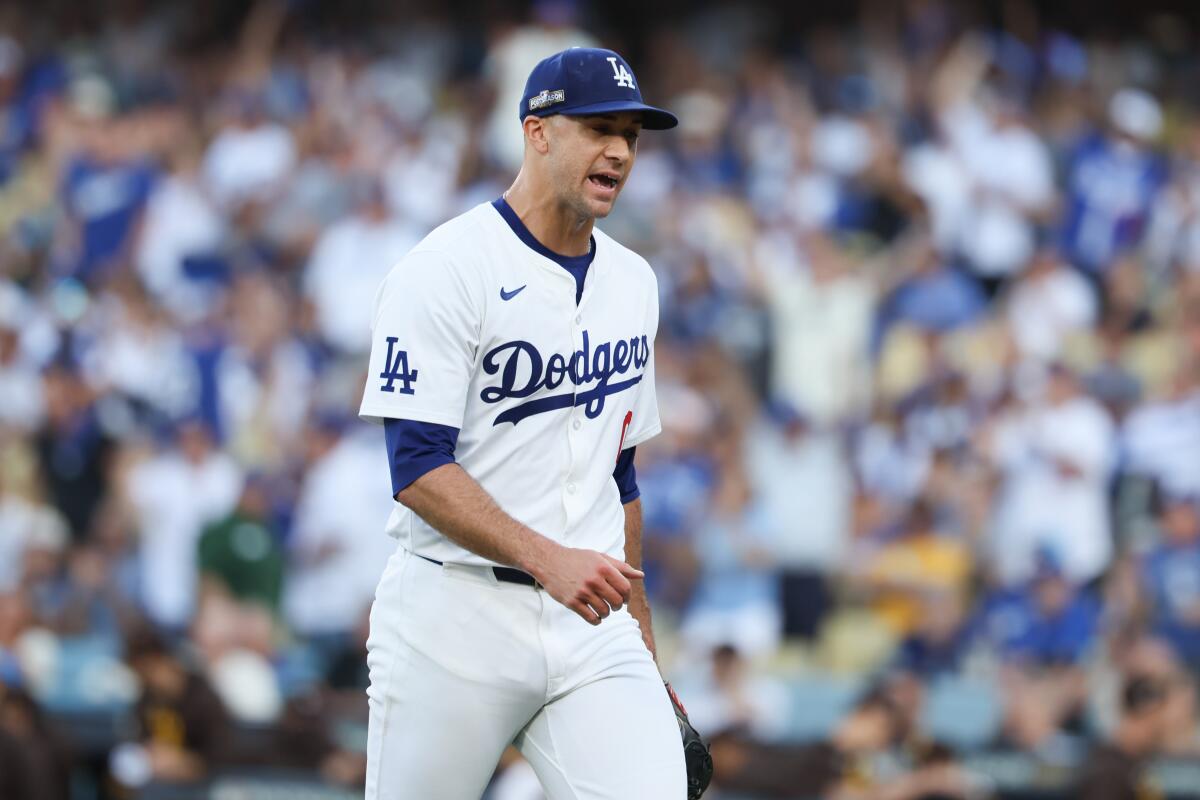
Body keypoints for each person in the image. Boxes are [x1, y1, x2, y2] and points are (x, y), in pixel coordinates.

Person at [357, 48, 686, 798]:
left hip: (592, 626)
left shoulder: (634, 281)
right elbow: (415, 469)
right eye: (599, 127)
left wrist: (645, 649)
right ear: (537, 132)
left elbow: (620, 473)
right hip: (453, 614)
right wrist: (548, 558)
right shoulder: (444, 269)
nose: (620, 151)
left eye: (632, 135)